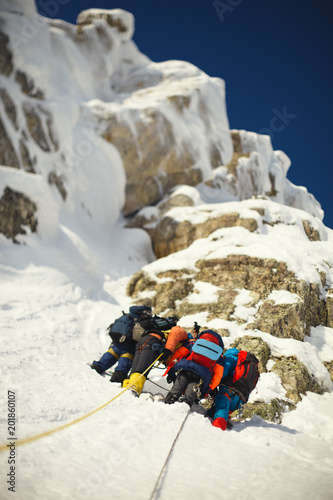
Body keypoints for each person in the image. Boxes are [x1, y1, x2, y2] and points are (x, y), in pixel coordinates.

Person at [122, 325, 189, 396]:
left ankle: (126, 387)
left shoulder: (178, 344)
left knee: (136, 368)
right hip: (153, 341)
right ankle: (134, 389)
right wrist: (168, 350)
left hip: (145, 340)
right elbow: (176, 331)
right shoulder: (184, 335)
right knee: (142, 369)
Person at [164, 329, 224, 407]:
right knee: (190, 395)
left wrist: (170, 371)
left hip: (185, 369)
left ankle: (168, 403)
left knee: (176, 388)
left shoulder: (193, 342)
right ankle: (184, 407)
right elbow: (218, 375)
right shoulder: (218, 355)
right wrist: (207, 389)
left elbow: (177, 355)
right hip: (200, 376)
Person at [208, 348, 259, 430]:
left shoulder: (231, 358)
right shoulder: (249, 366)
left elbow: (222, 374)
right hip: (241, 399)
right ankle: (223, 419)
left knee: (222, 407)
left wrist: (211, 385)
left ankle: (218, 428)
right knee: (215, 411)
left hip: (228, 392)